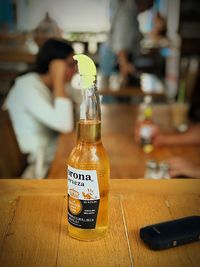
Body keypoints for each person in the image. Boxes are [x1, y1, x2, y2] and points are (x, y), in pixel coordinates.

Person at [4, 38, 77, 175]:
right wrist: (59, 81)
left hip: (47, 154)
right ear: (55, 66)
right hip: (33, 166)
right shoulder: (28, 86)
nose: (75, 69)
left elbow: (74, 115)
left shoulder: (48, 86)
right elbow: (66, 126)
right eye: (71, 65)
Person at [99, 0, 154, 87]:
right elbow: (121, 42)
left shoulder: (129, 10)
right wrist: (124, 63)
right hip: (116, 59)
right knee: (112, 91)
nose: (145, 10)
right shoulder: (128, 13)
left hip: (115, 56)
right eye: (148, 7)